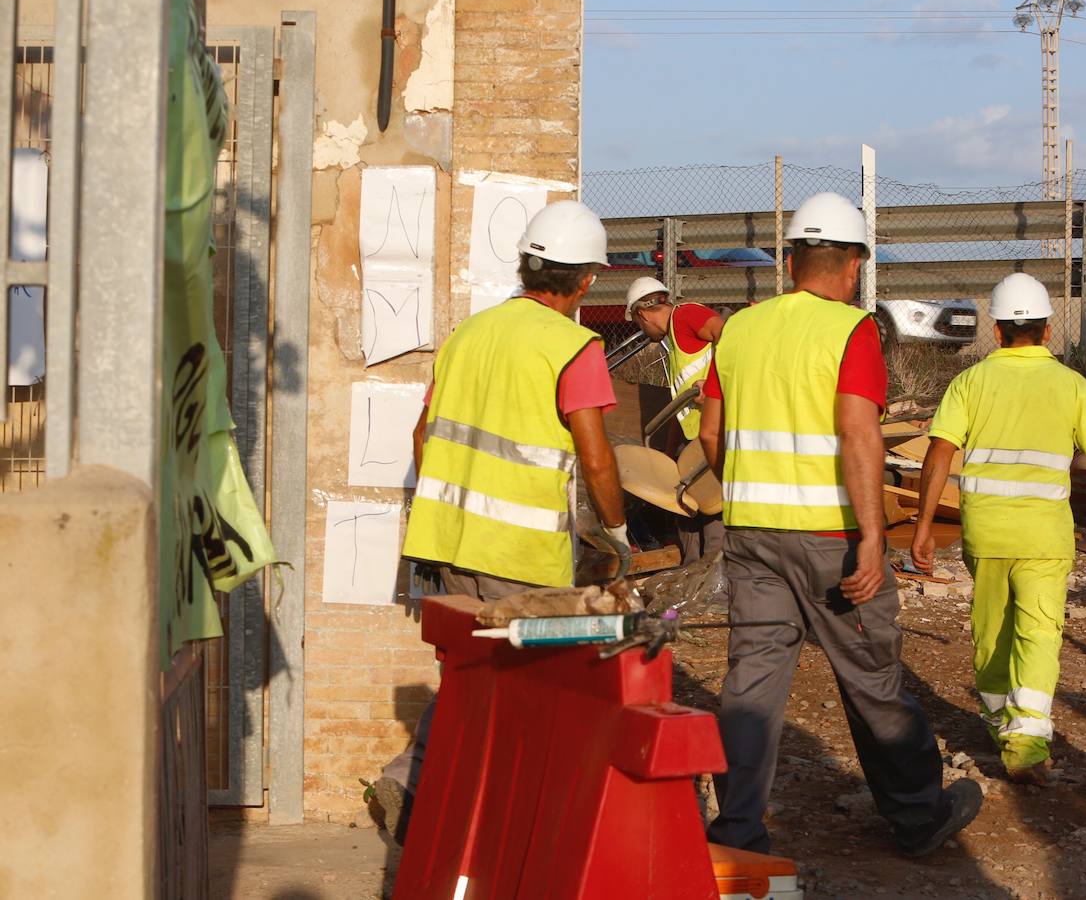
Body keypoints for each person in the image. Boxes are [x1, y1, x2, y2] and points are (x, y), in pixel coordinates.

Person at [697, 192, 982, 857]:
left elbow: (712, 433)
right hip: (831, 540)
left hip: (750, 533)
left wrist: (747, 490)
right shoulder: (850, 331)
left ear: (791, 260)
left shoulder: (739, 329)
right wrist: (875, 539)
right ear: (854, 265)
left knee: (752, 686)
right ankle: (917, 816)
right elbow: (859, 435)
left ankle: (737, 832)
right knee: (871, 678)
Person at [372, 200, 631, 841]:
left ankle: (415, 784)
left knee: (466, 674)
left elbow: (422, 435)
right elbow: (596, 457)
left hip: (444, 545)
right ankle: (513, 819)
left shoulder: (471, 333)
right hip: (517, 557)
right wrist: (618, 533)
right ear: (588, 279)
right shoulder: (575, 347)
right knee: (534, 687)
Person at [910, 272, 1086, 785]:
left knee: (992, 630)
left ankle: (1001, 723)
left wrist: (924, 525)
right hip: (1044, 538)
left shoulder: (970, 382)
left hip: (986, 534)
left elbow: (939, 453)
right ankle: (1026, 740)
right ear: (1047, 330)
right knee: (1039, 633)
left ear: (995, 331)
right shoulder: (1072, 385)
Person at [625, 276, 726, 561]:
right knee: (685, 513)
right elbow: (679, 406)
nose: (642, 331)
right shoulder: (672, 342)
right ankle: (691, 577)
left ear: (642, 314)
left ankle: (712, 586)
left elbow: (728, 333)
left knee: (711, 514)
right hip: (692, 440)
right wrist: (670, 454)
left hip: (712, 435)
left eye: (638, 324)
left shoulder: (685, 316)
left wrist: (714, 383)